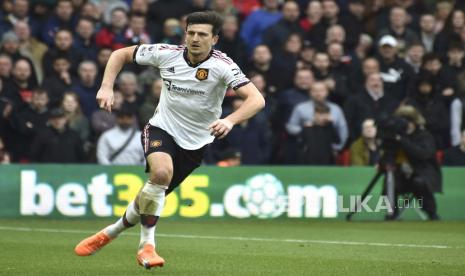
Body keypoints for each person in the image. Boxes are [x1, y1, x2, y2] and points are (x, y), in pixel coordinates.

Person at [74, 11, 265, 269]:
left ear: (215, 39)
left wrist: (230, 120)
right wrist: (106, 87)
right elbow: (119, 54)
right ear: (185, 34)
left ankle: (111, 232)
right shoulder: (166, 52)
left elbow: (257, 99)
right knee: (161, 174)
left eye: (202, 35)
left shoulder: (223, 65)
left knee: (151, 195)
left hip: (196, 142)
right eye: (191, 33)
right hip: (161, 128)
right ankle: (147, 247)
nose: (195, 39)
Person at [389, 105, 442, 221]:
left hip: (423, 173)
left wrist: (402, 141)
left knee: (420, 182)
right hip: (402, 175)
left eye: (406, 120)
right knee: (390, 180)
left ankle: (431, 212)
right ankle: (392, 212)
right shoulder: (396, 136)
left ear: (413, 122)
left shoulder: (424, 136)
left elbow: (423, 154)